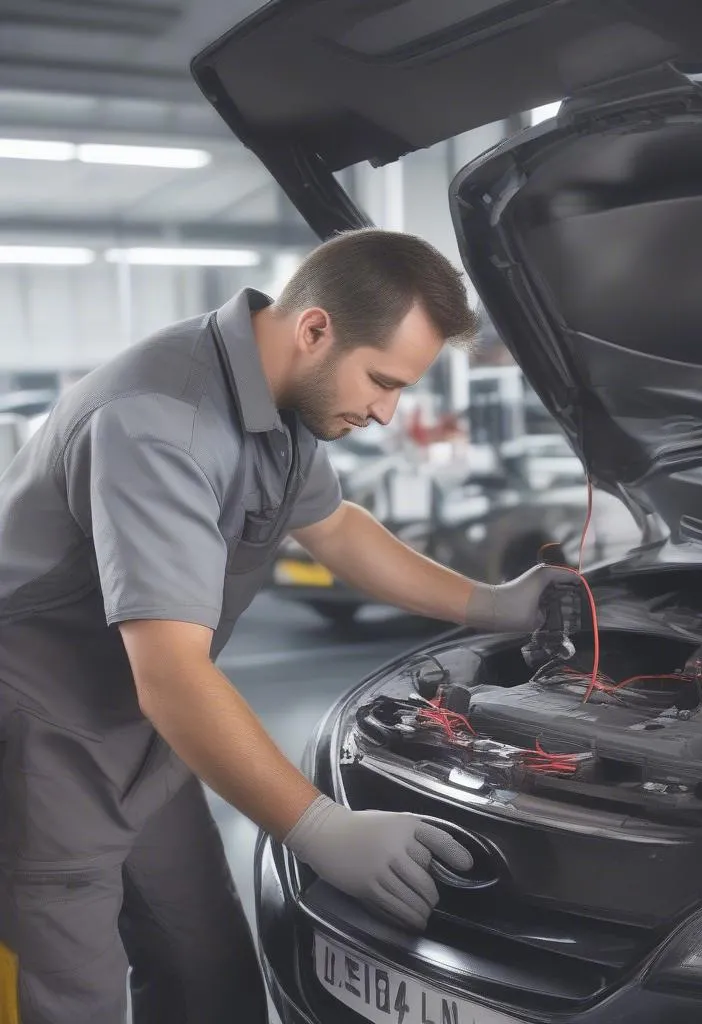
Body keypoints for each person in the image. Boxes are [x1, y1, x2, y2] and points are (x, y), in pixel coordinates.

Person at [0, 229, 578, 1024]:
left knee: (210, 976)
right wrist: (319, 826)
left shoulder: (285, 402)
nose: (386, 411)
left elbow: (336, 527)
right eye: (382, 381)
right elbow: (171, 672)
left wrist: (490, 603)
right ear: (315, 329)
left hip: (141, 734)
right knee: (70, 998)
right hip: (42, 740)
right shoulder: (160, 420)